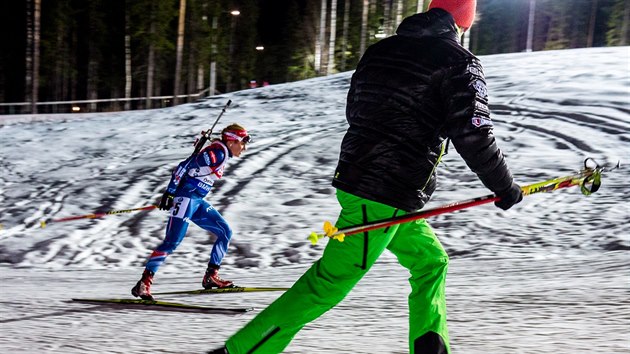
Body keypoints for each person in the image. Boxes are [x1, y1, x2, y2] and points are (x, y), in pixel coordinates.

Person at [210, 0, 522, 353]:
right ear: (463, 19)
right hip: (384, 192)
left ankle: (430, 345)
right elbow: (474, 134)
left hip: (375, 186)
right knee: (328, 283)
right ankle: (239, 350)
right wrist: (503, 187)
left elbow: (355, 109)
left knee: (431, 262)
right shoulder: (459, 61)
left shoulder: (380, 50)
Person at [132, 123, 252, 301]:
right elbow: (183, 166)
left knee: (225, 231)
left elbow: (195, 163)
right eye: (243, 142)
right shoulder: (218, 153)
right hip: (186, 199)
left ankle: (211, 276)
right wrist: (170, 192)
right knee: (172, 242)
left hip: (197, 201)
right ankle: (143, 283)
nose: (244, 147)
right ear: (233, 140)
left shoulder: (221, 153)